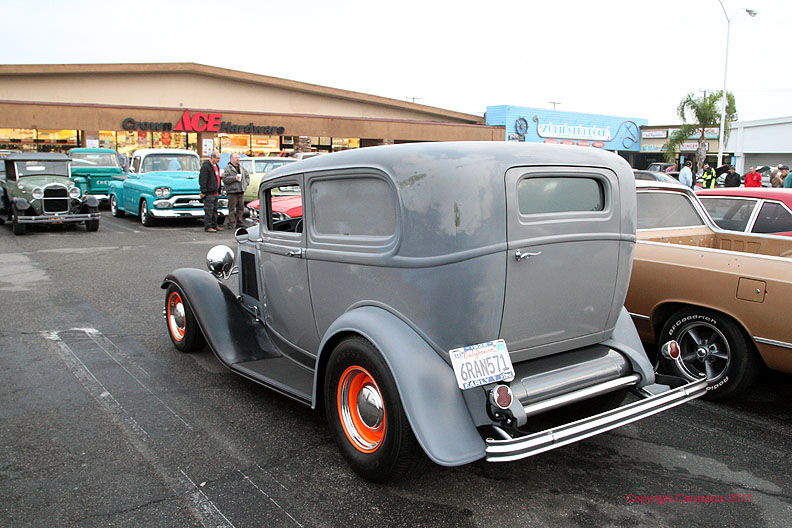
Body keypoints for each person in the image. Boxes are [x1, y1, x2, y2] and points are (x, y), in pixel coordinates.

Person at [222, 153, 250, 229]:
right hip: (232, 191)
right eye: (236, 158)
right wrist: (234, 178)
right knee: (232, 208)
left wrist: (246, 183)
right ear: (231, 159)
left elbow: (247, 175)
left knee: (241, 208)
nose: (238, 159)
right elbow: (225, 179)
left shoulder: (241, 168)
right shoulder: (227, 168)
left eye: (238, 157)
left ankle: (239, 222)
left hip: (241, 190)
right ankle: (231, 223)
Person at [199, 150, 223, 232]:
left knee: (215, 210)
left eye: (219, 158)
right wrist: (203, 191)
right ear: (212, 157)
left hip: (215, 192)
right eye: (217, 158)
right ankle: (208, 226)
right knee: (209, 210)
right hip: (209, 192)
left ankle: (214, 224)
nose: (218, 160)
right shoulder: (206, 166)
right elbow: (203, 179)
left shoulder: (217, 166)